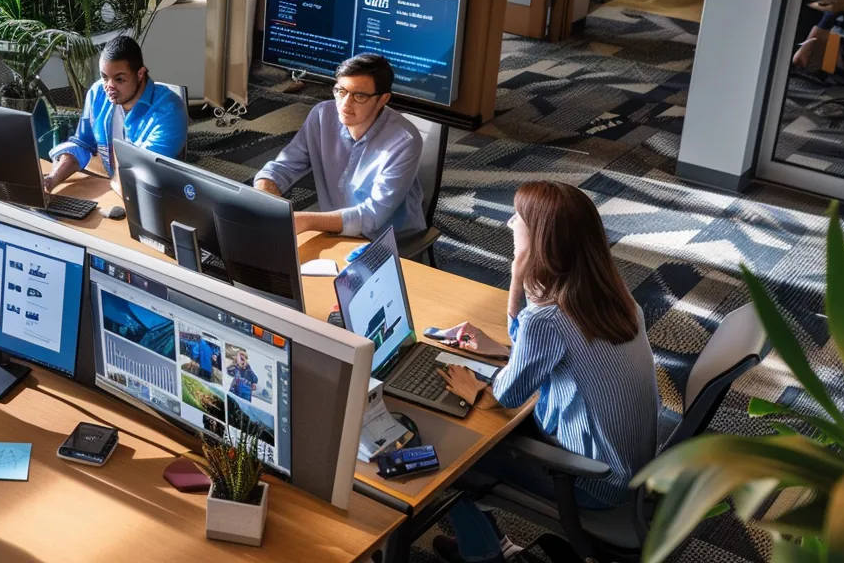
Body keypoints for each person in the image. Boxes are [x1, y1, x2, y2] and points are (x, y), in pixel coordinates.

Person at [427, 181, 658, 563]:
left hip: (591, 481)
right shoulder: (614, 295)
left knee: (445, 446)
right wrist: (504, 348)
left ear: (540, 239)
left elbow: (505, 398)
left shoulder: (548, 319)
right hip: (630, 468)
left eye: (518, 218)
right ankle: (486, 544)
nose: (508, 223)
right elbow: (557, 354)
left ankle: (484, 554)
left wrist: (472, 387)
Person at [252, 54, 426, 239]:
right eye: (341, 91)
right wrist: (266, 188)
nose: (345, 103)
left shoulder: (405, 141)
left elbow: (372, 217)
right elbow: (283, 167)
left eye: (359, 96)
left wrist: (307, 221)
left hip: (385, 240)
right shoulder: (321, 115)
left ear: (382, 100)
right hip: (334, 230)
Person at [43, 36, 190, 195]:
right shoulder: (98, 92)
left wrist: (111, 185)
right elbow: (82, 144)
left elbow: (143, 172)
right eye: (104, 77)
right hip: (114, 187)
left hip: (153, 196)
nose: (109, 86)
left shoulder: (170, 110)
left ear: (140, 74)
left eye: (119, 79)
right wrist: (50, 181)